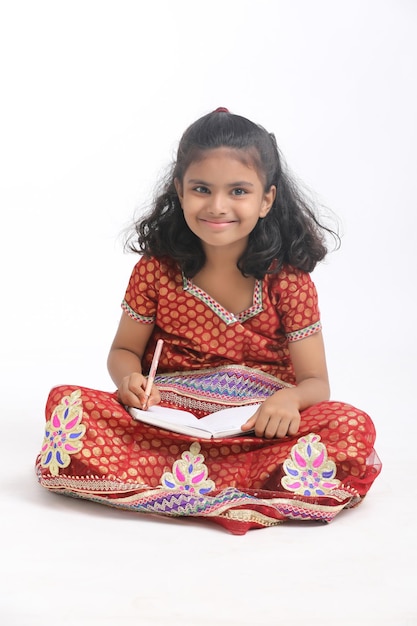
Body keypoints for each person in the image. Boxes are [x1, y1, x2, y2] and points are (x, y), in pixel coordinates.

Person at [35, 108, 381, 535]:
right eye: (202, 189)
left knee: (350, 427)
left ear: (266, 199)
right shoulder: (156, 269)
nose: (218, 206)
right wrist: (129, 381)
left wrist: (289, 402)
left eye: (238, 191)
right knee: (70, 406)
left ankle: (176, 481)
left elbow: (316, 383)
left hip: (258, 426)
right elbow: (124, 352)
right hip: (166, 418)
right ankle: (243, 484)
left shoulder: (288, 279)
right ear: (180, 192)